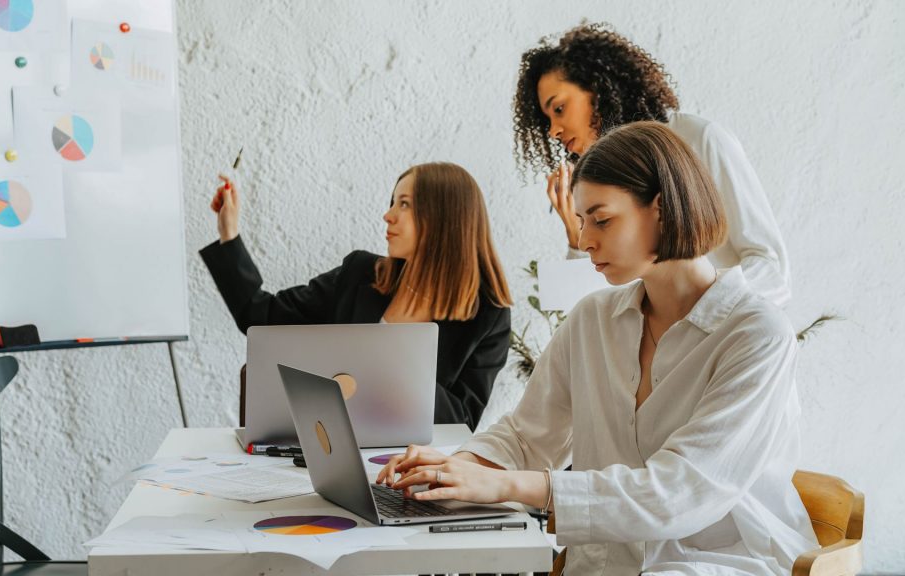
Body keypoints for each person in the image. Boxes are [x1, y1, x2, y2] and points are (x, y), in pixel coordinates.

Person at [377, 123, 818, 576]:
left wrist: (504, 484)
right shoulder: (592, 319)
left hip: (720, 563)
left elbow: (680, 493)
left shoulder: (756, 334)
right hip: (604, 563)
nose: (585, 239)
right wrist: (453, 468)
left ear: (662, 208)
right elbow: (529, 436)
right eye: (582, 221)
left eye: (601, 219)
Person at [200, 162, 512, 430]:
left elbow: (463, 422)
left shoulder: (488, 315)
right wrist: (229, 234)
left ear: (445, 218)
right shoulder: (360, 274)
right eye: (393, 202)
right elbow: (260, 316)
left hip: (410, 467)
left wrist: (394, 363)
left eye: (404, 204)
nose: (388, 215)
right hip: (329, 447)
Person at [514, 23, 791, 306]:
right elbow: (589, 311)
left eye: (559, 109)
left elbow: (771, 268)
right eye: (547, 120)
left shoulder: (699, 140)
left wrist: (700, 312)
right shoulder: (598, 183)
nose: (553, 131)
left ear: (598, 90)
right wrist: (577, 235)